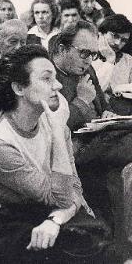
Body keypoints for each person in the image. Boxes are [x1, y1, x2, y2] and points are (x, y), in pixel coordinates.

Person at [0, 45, 130, 263]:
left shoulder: (51, 119)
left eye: (55, 77)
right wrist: (58, 132)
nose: (57, 85)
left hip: (48, 211)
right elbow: (63, 196)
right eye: (47, 79)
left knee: (109, 250)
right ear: (19, 88)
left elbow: (74, 185)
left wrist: (56, 219)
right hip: (6, 225)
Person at [51, 20, 132, 242]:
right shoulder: (49, 77)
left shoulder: (86, 67)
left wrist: (106, 113)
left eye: (93, 55)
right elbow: (55, 129)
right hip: (73, 150)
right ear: (61, 48)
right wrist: (81, 101)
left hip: (98, 138)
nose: (88, 61)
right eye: (83, 53)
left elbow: (101, 104)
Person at [93, 14, 132, 115]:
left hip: (124, 113)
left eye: (124, 40)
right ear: (102, 33)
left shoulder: (128, 60)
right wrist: (110, 60)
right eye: (115, 36)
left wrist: (120, 88)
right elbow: (94, 92)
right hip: (97, 113)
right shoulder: (89, 57)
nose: (118, 43)